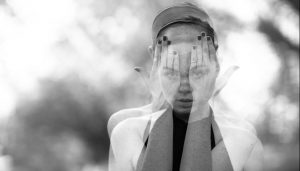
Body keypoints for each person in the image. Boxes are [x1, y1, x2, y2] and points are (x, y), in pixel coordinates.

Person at [107, 2, 263, 171]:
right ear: (155, 61)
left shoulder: (242, 138)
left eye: (197, 72)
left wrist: (200, 106)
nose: (184, 87)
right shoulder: (126, 128)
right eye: (172, 71)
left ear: (215, 64)